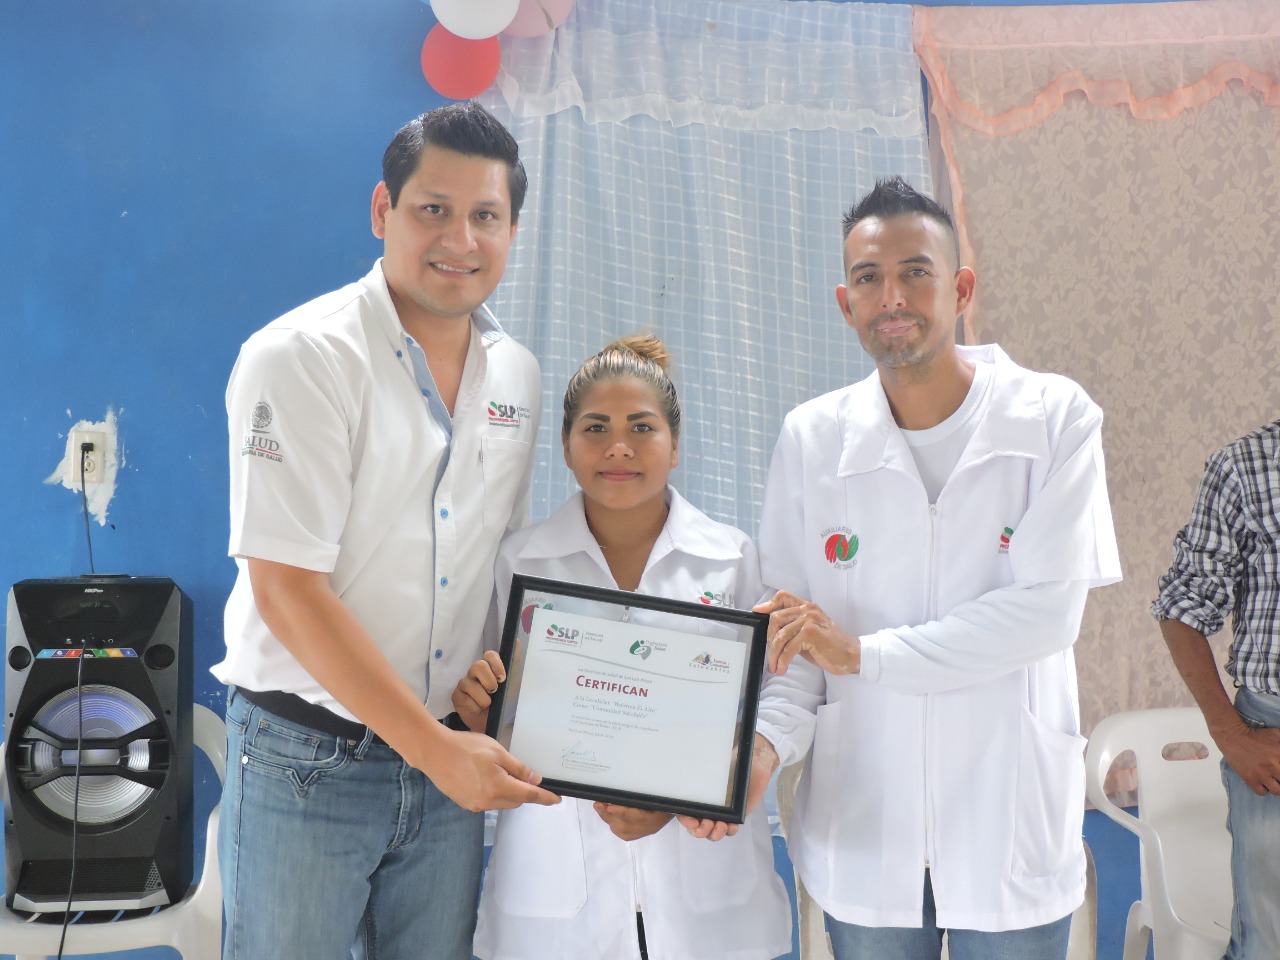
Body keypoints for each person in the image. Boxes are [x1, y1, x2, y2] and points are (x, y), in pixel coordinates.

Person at [213, 101, 559, 960]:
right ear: (383, 210)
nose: (460, 239)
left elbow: (496, 561)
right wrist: (436, 750)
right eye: (433, 209)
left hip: (448, 765)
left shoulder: (516, 374)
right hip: (307, 761)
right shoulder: (300, 357)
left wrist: (493, 693)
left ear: (513, 231)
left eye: (486, 216)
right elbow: (287, 591)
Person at [747, 176, 1121, 960]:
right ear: (845, 303)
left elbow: (1046, 616)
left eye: (916, 271)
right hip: (867, 818)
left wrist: (863, 654)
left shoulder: (1055, 419)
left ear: (961, 289)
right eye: (868, 277)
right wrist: (760, 752)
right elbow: (791, 644)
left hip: (1006, 813)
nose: (892, 296)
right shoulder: (812, 441)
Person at [453, 335, 793, 960]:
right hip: (556, 905)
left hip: (708, 902)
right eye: (596, 428)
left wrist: (709, 781)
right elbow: (491, 720)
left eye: (642, 427)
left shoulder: (734, 561)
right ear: (565, 445)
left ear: (676, 445)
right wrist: (481, 715)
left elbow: (785, 690)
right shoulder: (517, 564)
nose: (618, 447)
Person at [1151, 420, 1280, 960]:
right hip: (1271, 735)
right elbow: (1182, 608)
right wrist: (1232, 735)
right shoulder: (1248, 466)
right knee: (1270, 941)